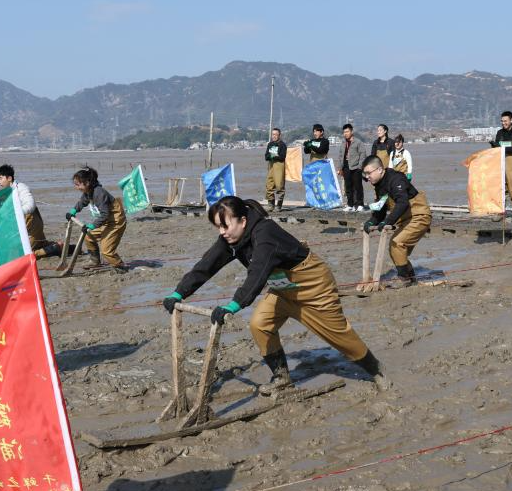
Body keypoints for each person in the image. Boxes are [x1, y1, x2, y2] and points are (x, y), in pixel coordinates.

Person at [161, 196, 389, 394]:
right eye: (218, 227)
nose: (222, 232)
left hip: (313, 287)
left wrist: (234, 305)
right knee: (260, 324)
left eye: (225, 226)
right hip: (282, 289)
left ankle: (376, 370)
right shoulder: (231, 239)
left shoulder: (265, 234)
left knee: (339, 335)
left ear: (243, 221)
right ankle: (282, 377)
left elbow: (257, 272)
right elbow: (207, 264)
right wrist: (179, 292)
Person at [360, 155, 432, 287]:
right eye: (365, 174)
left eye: (369, 173)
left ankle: (404, 278)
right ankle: (411, 278)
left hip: (419, 215)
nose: (367, 177)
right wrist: (372, 221)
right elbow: (381, 208)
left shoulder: (395, 178)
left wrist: (387, 221)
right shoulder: (379, 185)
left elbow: (403, 202)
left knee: (397, 243)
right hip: (404, 220)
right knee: (395, 250)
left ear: (380, 169)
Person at [66, 166, 128, 270]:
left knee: (106, 251)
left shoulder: (99, 193)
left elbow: (104, 214)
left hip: (116, 222)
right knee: (88, 237)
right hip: (106, 220)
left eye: (78, 184)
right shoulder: (88, 192)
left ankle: (120, 266)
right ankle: (95, 261)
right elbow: (82, 202)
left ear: (87, 182)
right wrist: (73, 211)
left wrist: (92, 225)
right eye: (75, 184)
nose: (76, 187)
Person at [0, 164, 59, 258]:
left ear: (9, 178)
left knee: (23, 254)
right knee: (40, 245)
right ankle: (63, 247)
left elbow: (30, 205)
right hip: (22, 227)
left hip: (32, 226)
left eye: (0, 178)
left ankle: (54, 248)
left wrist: (15, 212)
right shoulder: (7, 192)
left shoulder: (21, 188)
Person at [490, 111, 512, 222]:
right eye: (502, 121)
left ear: (511, 120)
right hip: (500, 160)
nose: (503, 123)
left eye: (505, 121)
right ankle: (501, 212)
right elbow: (497, 146)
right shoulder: (499, 132)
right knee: (501, 187)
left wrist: (501, 146)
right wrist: (494, 145)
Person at [336, 123, 367, 211]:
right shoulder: (343, 143)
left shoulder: (358, 142)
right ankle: (350, 205)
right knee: (348, 187)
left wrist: (360, 166)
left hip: (356, 167)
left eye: (347, 131)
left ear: (351, 132)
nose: (345, 134)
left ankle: (360, 204)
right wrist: (340, 168)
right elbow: (340, 156)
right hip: (346, 167)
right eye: (344, 132)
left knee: (358, 187)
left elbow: (363, 155)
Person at [264, 128, 288, 212]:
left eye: (275, 134)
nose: (274, 136)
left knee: (279, 186)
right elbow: (266, 156)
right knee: (269, 185)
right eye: (273, 134)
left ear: (279, 135)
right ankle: (271, 205)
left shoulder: (282, 145)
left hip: (279, 167)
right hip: (271, 167)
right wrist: (270, 156)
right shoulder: (270, 144)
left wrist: (274, 155)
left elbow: (282, 157)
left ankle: (279, 205)